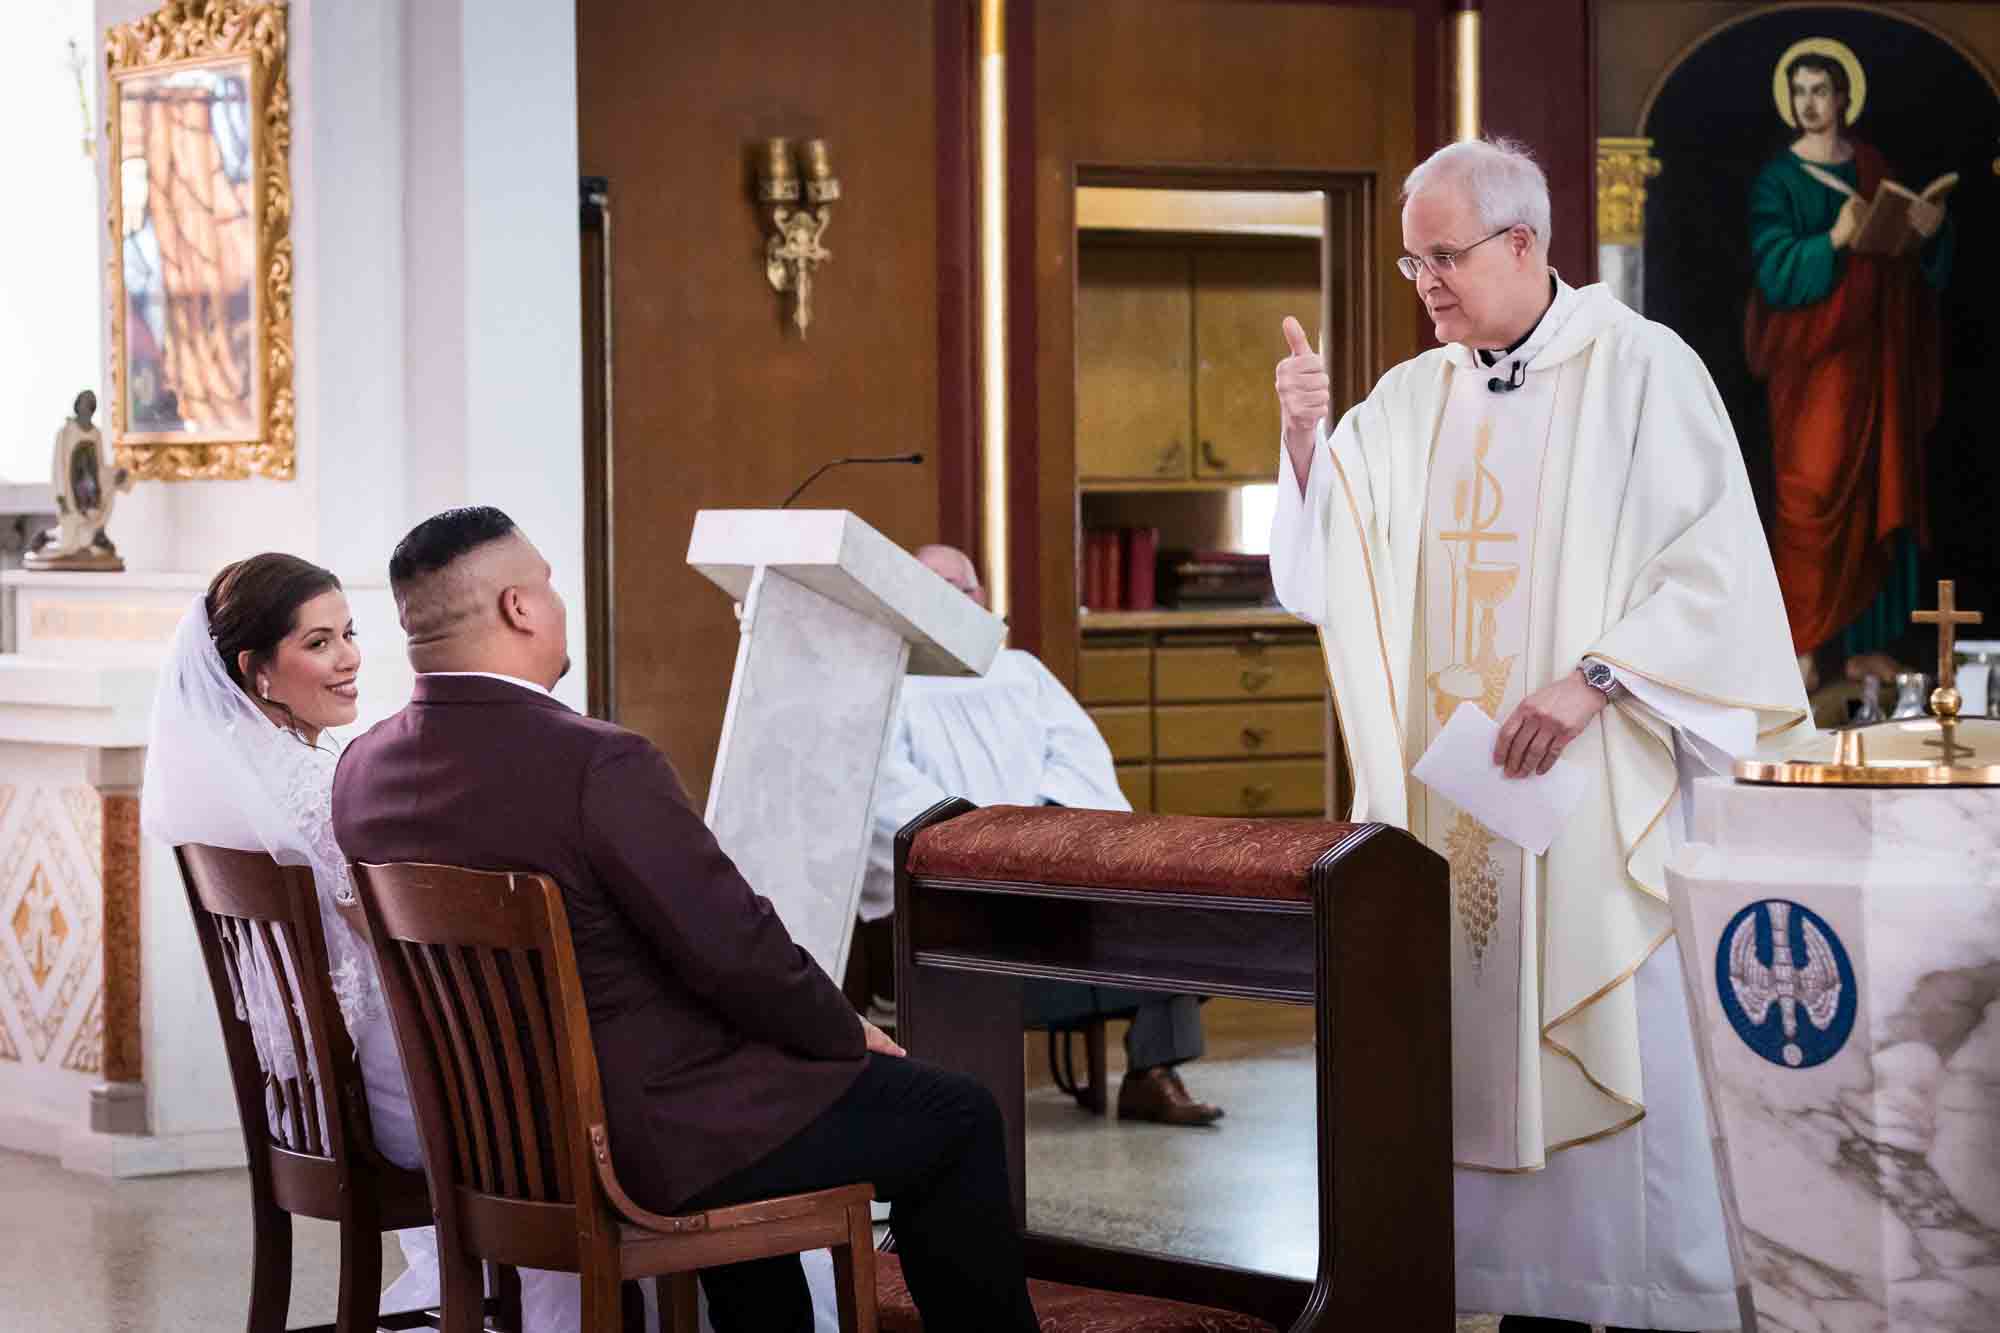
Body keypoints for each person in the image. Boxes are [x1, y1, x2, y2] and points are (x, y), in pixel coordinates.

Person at [1269, 138, 1809, 1331]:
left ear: (1523, 242)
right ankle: (1495, 1298)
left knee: (1610, 1055)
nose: (1426, 286)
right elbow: (1330, 565)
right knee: (1455, 1043)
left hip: (1584, 795)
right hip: (1455, 804)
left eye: (1443, 257)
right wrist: (1309, 446)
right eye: (1412, 264)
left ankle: (1632, 1300)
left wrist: (1593, 680)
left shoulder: (1642, 372)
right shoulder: (1415, 394)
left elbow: (1715, 571)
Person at [331, 507, 1038, 1333]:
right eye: (550, 586)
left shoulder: (363, 770)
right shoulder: (597, 763)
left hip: (495, 1147)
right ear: (519, 608)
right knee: (955, 1115)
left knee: (765, 1111)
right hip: (647, 1139)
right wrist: (843, 1029)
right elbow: (734, 949)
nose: (557, 605)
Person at [140, 554, 578, 1328]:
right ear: (257, 670)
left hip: (311, 1108)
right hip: (398, 1096)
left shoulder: (237, 788)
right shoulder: (327, 789)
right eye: (317, 642)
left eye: (349, 633)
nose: (348, 658)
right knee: (576, 1121)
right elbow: (408, 937)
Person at [860, 544, 1222, 1127]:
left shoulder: (1021, 671)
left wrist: (1047, 831)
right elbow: (886, 787)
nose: (958, 599)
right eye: (939, 587)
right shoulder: (884, 681)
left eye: (967, 587)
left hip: (1049, 867)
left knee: (1171, 922)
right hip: (963, 888)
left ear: (983, 599)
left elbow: (1078, 753)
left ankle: (1152, 1071)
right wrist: (982, 841)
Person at [1746, 44, 1951, 665]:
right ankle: (1802, 646)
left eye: (1820, 91)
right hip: (1809, 369)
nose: (1809, 103)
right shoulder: (1778, 179)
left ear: (1843, 99)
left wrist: (1922, 233)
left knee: (1870, 494)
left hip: (1873, 362)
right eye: (1799, 91)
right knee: (1808, 496)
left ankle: (1864, 647)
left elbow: (1904, 270)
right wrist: (1831, 239)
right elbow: (1772, 270)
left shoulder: (1868, 164)